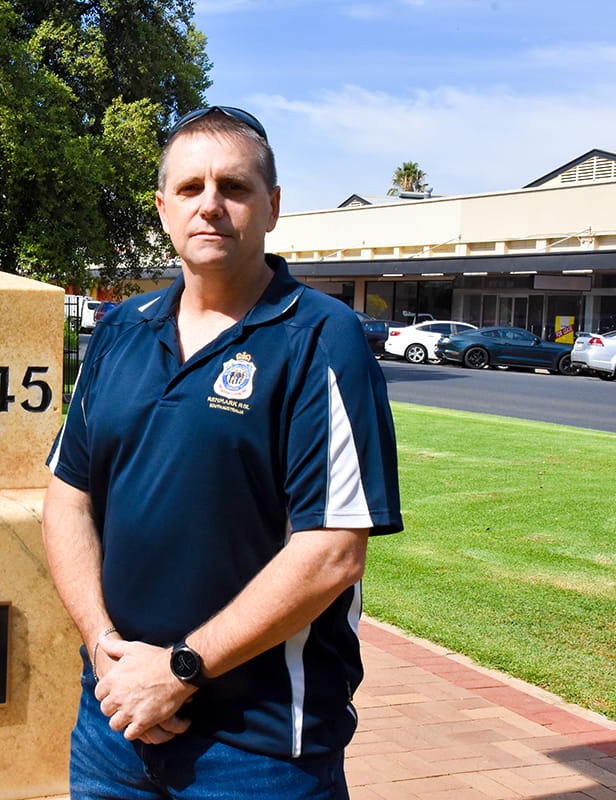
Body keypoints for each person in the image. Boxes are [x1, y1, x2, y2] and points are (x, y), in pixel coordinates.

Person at [42, 106, 403, 799]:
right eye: (190, 188)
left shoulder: (320, 339)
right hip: (111, 726)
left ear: (271, 206)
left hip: (259, 748)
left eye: (233, 187)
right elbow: (69, 494)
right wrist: (103, 646)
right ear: (162, 209)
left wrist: (178, 670)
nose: (210, 205)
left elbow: (332, 550)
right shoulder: (120, 331)